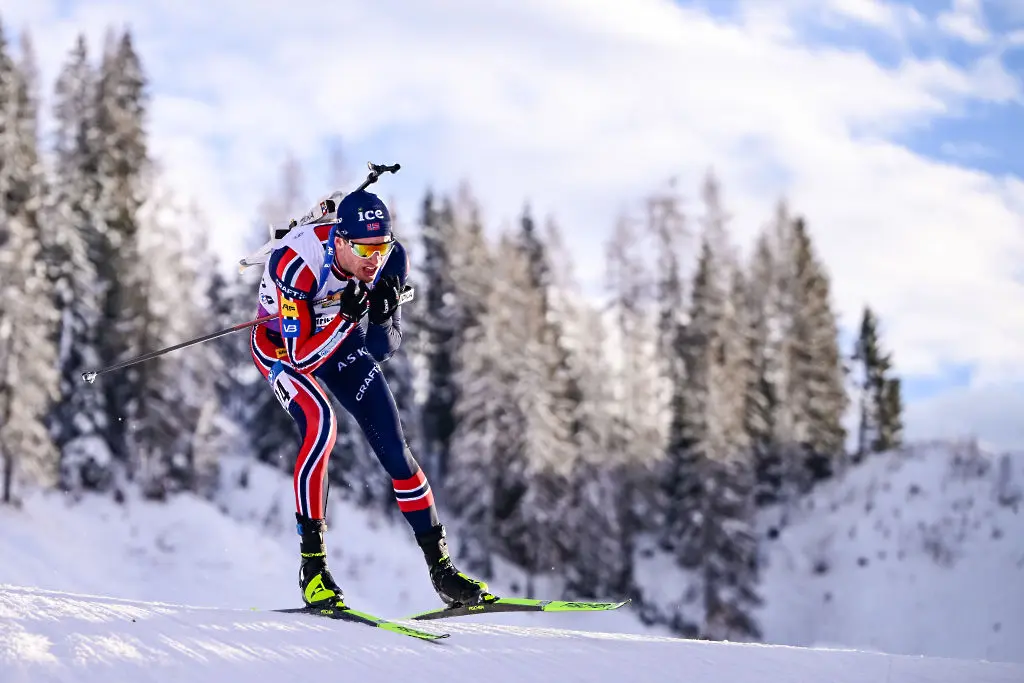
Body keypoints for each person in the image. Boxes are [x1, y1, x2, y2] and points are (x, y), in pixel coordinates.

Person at [249, 188, 491, 610]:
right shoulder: (295, 262)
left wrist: (380, 312)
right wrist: (345, 316)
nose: (374, 259)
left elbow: (381, 347)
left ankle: (442, 571)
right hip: (283, 348)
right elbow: (302, 355)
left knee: (396, 451)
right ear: (339, 241)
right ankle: (314, 571)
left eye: (381, 247)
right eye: (363, 248)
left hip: (339, 344)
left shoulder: (389, 260)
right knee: (321, 424)